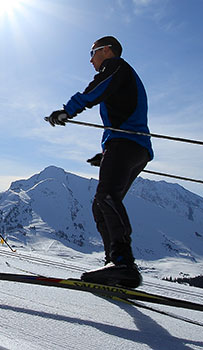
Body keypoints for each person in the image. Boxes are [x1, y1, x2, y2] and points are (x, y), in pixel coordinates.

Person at [46, 36, 153, 288]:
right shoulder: (123, 73)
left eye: (92, 52)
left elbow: (96, 89)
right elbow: (122, 117)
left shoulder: (115, 66)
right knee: (102, 203)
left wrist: (68, 110)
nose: (91, 60)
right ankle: (114, 263)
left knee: (106, 197)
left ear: (106, 50)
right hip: (133, 147)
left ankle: (122, 263)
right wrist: (105, 154)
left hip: (126, 144)